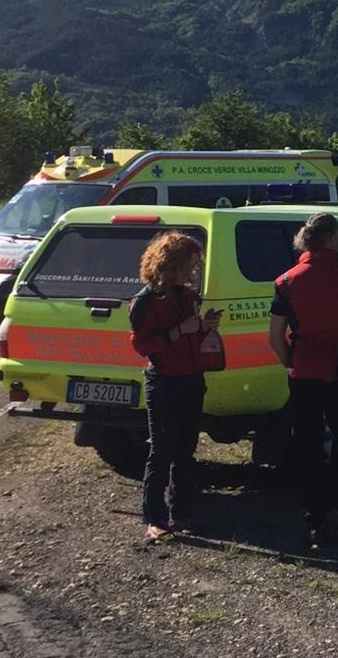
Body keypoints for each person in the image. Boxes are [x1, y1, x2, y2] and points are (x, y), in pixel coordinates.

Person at [268, 212, 338, 546]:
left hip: (304, 374)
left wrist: (291, 363)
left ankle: (316, 520)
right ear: (332, 240)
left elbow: (274, 336)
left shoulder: (284, 282)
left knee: (309, 447)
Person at [128, 231, 219, 541]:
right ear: (170, 263)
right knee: (162, 450)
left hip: (192, 379)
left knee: (186, 451)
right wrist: (180, 331)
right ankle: (154, 518)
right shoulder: (146, 300)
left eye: (194, 266)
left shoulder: (188, 295)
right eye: (188, 266)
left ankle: (181, 514)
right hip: (164, 381)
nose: (192, 272)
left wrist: (204, 327)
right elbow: (142, 345)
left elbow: (191, 335)